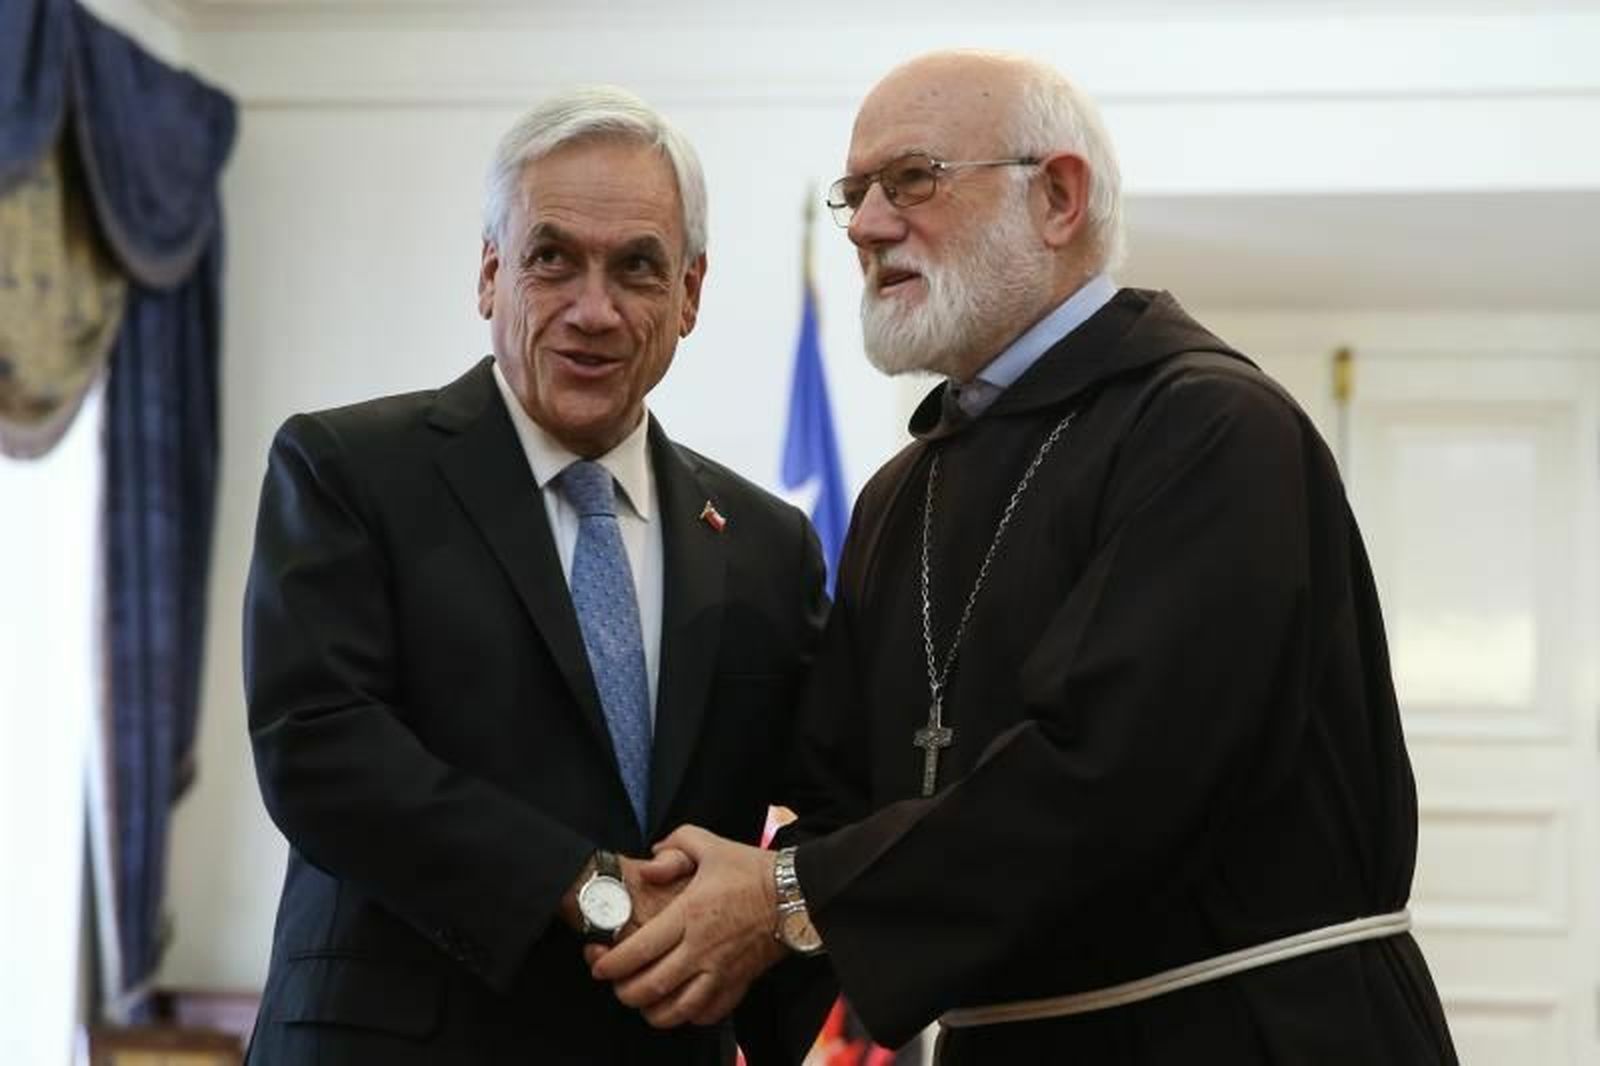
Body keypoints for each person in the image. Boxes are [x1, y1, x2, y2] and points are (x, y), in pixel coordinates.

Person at [592, 50, 1460, 1065]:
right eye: (856, 194)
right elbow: (837, 789)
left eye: (911, 179)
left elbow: (1115, 778)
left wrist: (788, 896)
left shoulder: (1214, 429)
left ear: (1057, 197)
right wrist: (686, 924)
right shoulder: (900, 494)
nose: (867, 225)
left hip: (1242, 1035)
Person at [242, 86, 826, 1065]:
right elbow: (320, 749)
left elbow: (838, 789)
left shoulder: (767, 543)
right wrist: (583, 885)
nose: (592, 310)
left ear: (689, 294)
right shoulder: (348, 470)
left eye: (637, 266)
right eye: (551, 258)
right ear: (490, 273)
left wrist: (773, 918)